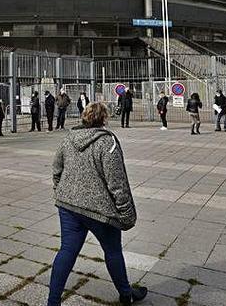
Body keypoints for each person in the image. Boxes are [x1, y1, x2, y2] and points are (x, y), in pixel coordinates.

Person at [49, 102, 147, 306]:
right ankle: (126, 294)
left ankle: (53, 302)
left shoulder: (68, 139)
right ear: (104, 119)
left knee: (66, 251)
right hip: (100, 210)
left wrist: (61, 191)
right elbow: (117, 183)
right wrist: (126, 213)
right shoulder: (107, 142)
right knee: (113, 251)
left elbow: (57, 169)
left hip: (68, 206)